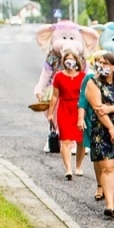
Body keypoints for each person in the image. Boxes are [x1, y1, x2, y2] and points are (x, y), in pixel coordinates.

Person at [83, 52, 114, 217]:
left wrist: (110, 108)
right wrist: (111, 128)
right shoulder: (93, 82)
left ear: (113, 67)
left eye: (105, 63)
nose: (102, 65)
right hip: (102, 129)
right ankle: (109, 204)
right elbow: (98, 109)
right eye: (100, 63)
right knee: (107, 166)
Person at [49, 50, 87, 180]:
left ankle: (78, 165)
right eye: (67, 58)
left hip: (79, 109)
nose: (69, 61)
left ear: (77, 61)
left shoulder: (83, 76)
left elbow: (87, 95)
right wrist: (50, 113)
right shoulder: (59, 76)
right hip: (64, 108)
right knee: (65, 139)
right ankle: (68, 168)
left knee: (80, 140)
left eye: (72, 58)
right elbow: (55, 96)